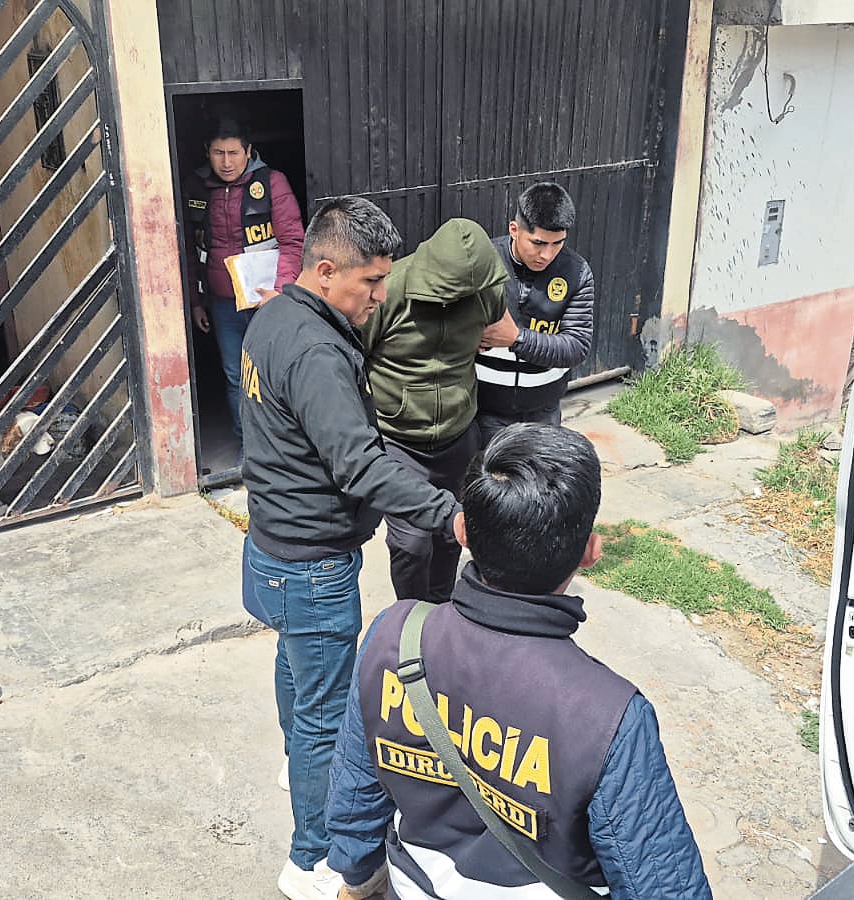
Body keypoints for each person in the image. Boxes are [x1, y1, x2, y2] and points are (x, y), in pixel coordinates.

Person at [325, 424, 713, 899]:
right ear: (591, 552)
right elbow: (662, 885)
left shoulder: (394, 635)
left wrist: (358, 878)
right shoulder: (609, 718)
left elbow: (354, 794)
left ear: (463, 530)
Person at [240, 196, 461, 900]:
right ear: (327, 270)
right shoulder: (314, 350)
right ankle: (312, 857)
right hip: (310, 566)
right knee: (327, 719)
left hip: (273, 551)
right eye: (370, 282)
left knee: (294, 672)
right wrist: (449, 514)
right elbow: (358, 465)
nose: (379, 295)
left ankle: (294, 770)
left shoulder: (275, 316)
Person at [362, 218, 508, 605]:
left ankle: (440, 607)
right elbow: (353, 357)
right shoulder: (390, 292)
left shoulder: (486, 290)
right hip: (397, 439)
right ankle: (410, 615)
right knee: (411, 542)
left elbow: (498, 328)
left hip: (459, 436)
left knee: (452, 530)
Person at [183, 117, 305, 446]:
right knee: (236, 377)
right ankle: (249, 450)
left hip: (267, 301)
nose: (226, 162)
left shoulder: (271, 183)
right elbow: (192, 250)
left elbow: (294, 242)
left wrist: (279, 293)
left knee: (274, 376)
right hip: (224, 305)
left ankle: (282, 448)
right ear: (207, 152)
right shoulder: (197, 189)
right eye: (218, 153)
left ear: (248, 151)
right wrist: (196, 302)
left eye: (234, 153)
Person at [475, 182, 596, 445]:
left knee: (541, 484)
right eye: (538, 243)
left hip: (544, 413)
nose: (547, 254)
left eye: (557, 244)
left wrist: (517, 339)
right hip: (483, 411)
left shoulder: (576, 272)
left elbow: (576, 346)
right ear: (514, 230)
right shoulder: (483, 261)